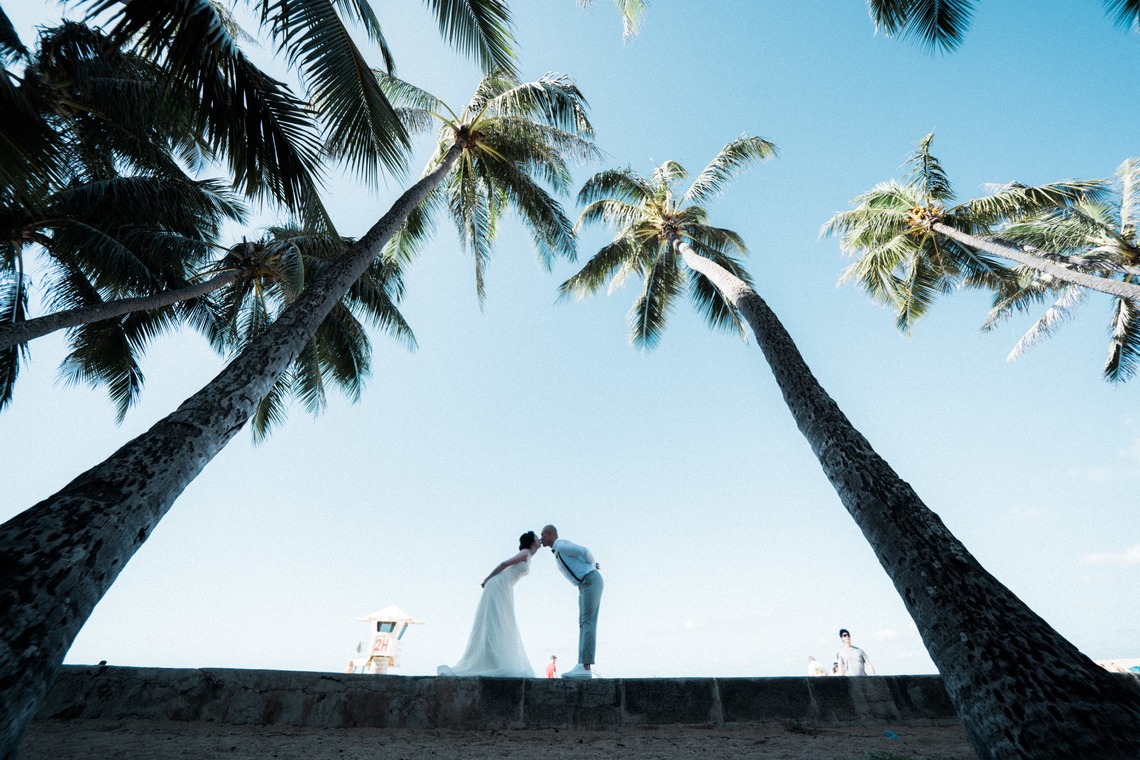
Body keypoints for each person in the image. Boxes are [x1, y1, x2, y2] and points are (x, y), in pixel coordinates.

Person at [437, 531, 540, 677]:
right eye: (537, 537)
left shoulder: (529, 556)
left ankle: (493, 660)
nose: (539, 539)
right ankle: (491, 661)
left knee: (502, 622)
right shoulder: (525, 552)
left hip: (506, 586)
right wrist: (487, 579)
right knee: (494, 620)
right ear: (532, 541)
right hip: (498, 584)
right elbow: (504, 564)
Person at [540, 524, 603, 679]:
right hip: (584, 584)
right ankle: (582, 664)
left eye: (543, 535)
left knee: (587, 622)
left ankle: (585, 667)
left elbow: (584, 551)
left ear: (550, 534)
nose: (541, 539)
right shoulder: (557, 550)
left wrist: (592, 566)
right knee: (583, 623)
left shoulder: (561, 545)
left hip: (589, 580)